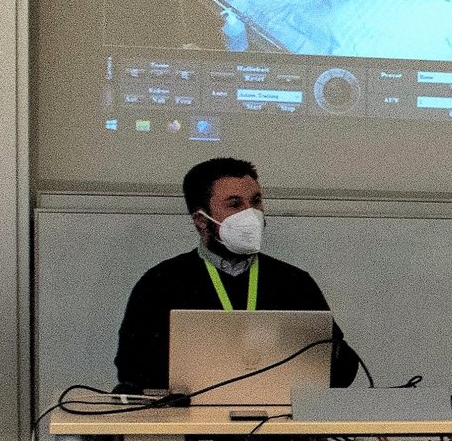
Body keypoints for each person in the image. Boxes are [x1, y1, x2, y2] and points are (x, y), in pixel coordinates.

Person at [114, 157, 359, 392]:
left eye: (255, 202)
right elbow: (132, 369)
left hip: (278, 425)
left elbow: (342, 369)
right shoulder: (160, 284)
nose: (250, 214)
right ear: (201, 220)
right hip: (193, 427)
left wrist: (326, 355)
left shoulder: (294, 282)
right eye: (234, 204)